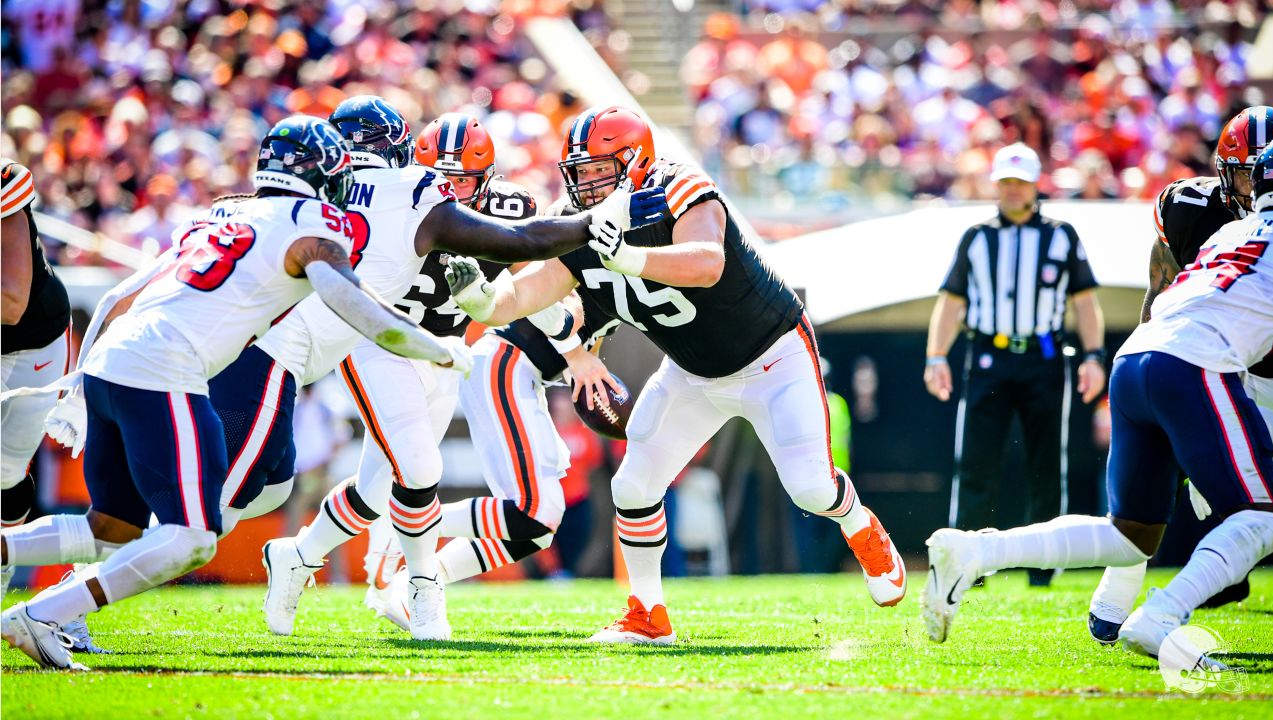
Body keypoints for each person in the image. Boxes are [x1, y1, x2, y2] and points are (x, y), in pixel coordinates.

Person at [0, 115, 460, 670]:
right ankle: (46, 612)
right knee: (194, 537)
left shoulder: (224, 212)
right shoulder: (312, 223)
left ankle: (38, 595)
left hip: (111, 363)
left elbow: (120, 295)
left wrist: (77, 387)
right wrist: (433, 348)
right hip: (165, 371)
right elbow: (356, 305)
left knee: (112, 527)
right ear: (324, 174)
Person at [446, 105, 907, 644]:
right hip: (693, 372)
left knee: (810, 487)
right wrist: (483, 300)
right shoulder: (575, 221)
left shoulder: (679, 186)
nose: (585, 182)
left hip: (772, 356)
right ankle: (648, 616)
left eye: (597, 168)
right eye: (578, 170)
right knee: (634, 484)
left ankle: (859, 525)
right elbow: (528, 294)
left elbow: (707, 262)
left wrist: (630, 258)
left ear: (634, 160)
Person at [260, 104, 667, 641]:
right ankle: (423, 592)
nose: (451, 190)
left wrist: (571, 346)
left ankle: (297, 556)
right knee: (421, 468)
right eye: (441, 178)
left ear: (487, 176)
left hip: (445, 352)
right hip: (382, 341)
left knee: (377, 490)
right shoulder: (402, 200)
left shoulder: (508, 205)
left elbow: (529, 287)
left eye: (464, 179)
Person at [923, 138, 1273, 660]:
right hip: (1195, 364)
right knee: (1264, 512)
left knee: (1132, 533)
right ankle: (1160, 616)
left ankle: (975, 550)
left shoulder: (1230, 230)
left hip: (1136, 356)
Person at [364, 112, 623, 629]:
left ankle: (415, 576)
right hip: (504, 361)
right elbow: (538, 293)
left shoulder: (525, 206)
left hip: (518, 370)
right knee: (534, 512)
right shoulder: (565, 225)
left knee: (535, 526)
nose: (451, 188)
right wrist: (575, 352)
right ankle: (409, 530)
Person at [1089, 105, 1273, 641]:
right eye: (1248, 170)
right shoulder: (1191, 208)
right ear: (1226, 170)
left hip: (1269, 372)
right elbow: (1161, 292)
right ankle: (1119, 596)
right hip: (1203, 356)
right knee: (1153, 477)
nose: (1258, 182)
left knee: (1257, 502)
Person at [924, 142, 1107, 586]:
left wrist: (1094, 357)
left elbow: (1085, 302)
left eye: (1019, 182)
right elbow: (950, 301)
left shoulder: (1062, 234)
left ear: (1034, 185)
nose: (1011, 190)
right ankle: (966, 565)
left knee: (1046, 466)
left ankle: (1042, 569)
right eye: (1004, 181)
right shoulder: (977, 237)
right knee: (975, 462)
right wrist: (936, 356)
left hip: (1045, 358)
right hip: (988, 356)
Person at [1, 159, 72, 595]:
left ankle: (3, 564)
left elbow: (11, 301)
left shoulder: (6, 182)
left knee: (6, 468)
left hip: (33, 343)